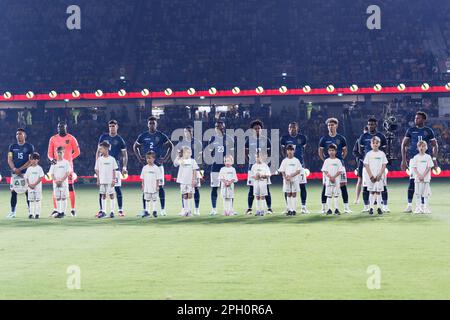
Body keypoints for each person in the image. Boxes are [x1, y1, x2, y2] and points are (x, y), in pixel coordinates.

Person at [134, 116, 173, 216]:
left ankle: (162, 209)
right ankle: (145, 210)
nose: (152, 125)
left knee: (160, 187)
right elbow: (135, 146)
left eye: (153, 123)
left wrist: (165, 158)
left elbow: (170, 146)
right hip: (147, 166)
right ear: (147, 124)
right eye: (150, 123)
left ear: (156, 124)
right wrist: (139, 158)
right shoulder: (143, 136)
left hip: (158, 165)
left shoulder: (161, 135)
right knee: (146, 188)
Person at [401, 111, 438, 213]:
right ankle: (409, 205)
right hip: (414, 160)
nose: (416, 120)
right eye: (415, 118)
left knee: (424, 183)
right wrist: (404, 160)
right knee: (413, 182)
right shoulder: (411, 130)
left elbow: (435, 145)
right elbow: (403, 144)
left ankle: (423, 206)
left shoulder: (428, 130)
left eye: (418, 118)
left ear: (423, 120)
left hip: (425, 160)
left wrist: (434, 159)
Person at [48, 121, 80, 217]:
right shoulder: (53, 139)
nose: (60, 128)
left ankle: (73, 209)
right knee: (56, 186)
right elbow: (49, 154)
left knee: (70, 187)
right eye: (58, 127)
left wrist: (69, 158)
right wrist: (52, 160)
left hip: (67, 166)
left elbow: (77, 152)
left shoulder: (71, 138)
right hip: (56, 166)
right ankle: (56, 209)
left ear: (66, 127)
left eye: (62, 127)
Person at [318, 118, 351, 213]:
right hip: (328, 168)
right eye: (329, 125)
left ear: (336, 126)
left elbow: (345, 151)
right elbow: (320, 152)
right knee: (325, 186)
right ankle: (324, 208)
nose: (330, 127)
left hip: (340, 166)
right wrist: (326, 161)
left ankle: (346, 207)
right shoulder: (324, 139)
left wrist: (339, 161)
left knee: (343, 186)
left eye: (332, 125)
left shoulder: (341, 138)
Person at [357, 118, 389, 213]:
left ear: (376, 125)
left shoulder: (381, 136)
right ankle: (367, 206)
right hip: (367, 166)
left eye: (372, 124)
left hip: (379, 166)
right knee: (367, 187)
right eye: (369, 124)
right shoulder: (363, 137)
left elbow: (385, 150)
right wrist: (364, 160)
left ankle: (384, 206)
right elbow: (360, 151)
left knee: (382, 186)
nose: (371, 126)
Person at [97, 120, 128, 217]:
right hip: (103, 167)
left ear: (117, 127)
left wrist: (124, 167)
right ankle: (102, 210)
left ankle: (120, 209)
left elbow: (124, 155)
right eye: (110, 126)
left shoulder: (120, 139)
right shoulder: (103, 137)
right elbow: (98, 151)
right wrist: (97, 163)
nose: (111, 128)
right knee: (102, 190)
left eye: (113, 126)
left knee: (117, 188)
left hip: (115, 167)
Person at [245, 120, 273, 215]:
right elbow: (245, 152)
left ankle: (269, 208)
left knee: (266, 188)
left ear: (261, 130)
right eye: (255, 128)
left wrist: (265, 161)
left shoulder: (266, 140)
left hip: (263, 167)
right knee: (252, 189)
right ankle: (249, 208)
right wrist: (250, 161)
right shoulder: (249, 140)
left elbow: (270, 153)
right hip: (252, 168)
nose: (257, 130)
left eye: (259, 128)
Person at [280, 122, 309, 213]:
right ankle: (288, 207)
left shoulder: (302, 138)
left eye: (294, 127)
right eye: (291, 127)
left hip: (299, 165)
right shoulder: (284, 138)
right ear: (288, 129)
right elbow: (282, 151)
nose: (292, 129)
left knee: (302, 186)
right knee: (287, 188)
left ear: (297, 128)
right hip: (288, 167)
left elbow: (304, 150)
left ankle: (303, 207)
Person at [207, 120, 234, 216]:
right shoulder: (213, 138)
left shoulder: (229, 138)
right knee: (214, 187)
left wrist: (230, 162)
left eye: (220, 126)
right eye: (217, 126)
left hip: (226, 166)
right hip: (215, 166)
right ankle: (214, 209)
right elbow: (209, 151)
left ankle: (230, 209)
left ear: (224, 127)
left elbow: (231, 153)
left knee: (229, 187)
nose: (218, 128)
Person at [175, 126, 203, 216]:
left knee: (196, 188)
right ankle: (184, 209)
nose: (188, 133)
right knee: (184, 189)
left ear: (192, 132)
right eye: (186, 132)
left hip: (195, 167)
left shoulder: (197, 142)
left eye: (189, 131)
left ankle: (196, 209)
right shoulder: (181, 143)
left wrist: (200, 169)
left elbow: (200, 156)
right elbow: (178, 155)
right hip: (185, 168)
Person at [7, 128, 34, 218]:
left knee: (28, 192)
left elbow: (30, 161)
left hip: (26, 173)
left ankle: (31, 212)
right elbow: (9, 159)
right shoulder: (12, 146)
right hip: (15, 173)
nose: (18, 135)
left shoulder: (29, 147)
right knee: (13, 192)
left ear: (24, 135)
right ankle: (12, 212)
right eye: (17, 134)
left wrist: (21, 169)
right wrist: (14, 169)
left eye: (20, 134)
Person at [363, 136, 388, 216]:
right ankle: (371, 208)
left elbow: (384, 165)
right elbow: (366, 165)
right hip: (371, 177)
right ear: (371, 144)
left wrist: (380, 174)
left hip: (379, 177)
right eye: (373, 143)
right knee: (372, 191)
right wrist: (370, 176)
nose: (375, 144)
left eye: (377, 143)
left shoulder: (382, 154)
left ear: (379, 144)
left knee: (379, 191)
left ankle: (379, 208)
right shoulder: (369, 154)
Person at [95, 141, 119, 219]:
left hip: (109, 181)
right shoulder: (99, 159)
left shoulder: (112, 159)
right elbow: (97, 170)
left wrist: (113, 179)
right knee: (103, 195)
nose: (100, 151)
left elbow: (114, 170)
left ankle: (112, 211)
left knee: (111, 195)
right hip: (102, 181)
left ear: (106, 149)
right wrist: (98, 179)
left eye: (101, 149)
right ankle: (104, 211)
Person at [174, 146, 199, 217]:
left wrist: (194, 179)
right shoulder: (181, 160)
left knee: (190, 195)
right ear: (183, 154)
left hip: (190, 181)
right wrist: (178, 156)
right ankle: (185, 210)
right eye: (185, 153)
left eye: (188, 152)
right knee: (184, 195)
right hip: (183, 181)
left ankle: (190, 211)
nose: (187, 154)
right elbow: (175, 164)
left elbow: (194, 170)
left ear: (191, 153)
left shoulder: (192, 161)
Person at [411, 140, 434, 214]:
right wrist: (419, 175)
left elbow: (429, 167)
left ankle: (426, 208)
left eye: (423, 146)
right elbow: (414, 168)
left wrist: (423, 175)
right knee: (418, 194)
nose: (421, 148)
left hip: (426, 179)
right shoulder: (415, 157)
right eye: (420, 146)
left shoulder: (428, 157)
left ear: (426, 147)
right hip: (417, 179)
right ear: (417, 148)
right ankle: (418, 208)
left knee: (426, 194)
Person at [278, 145, 302, 216]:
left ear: (293, 151)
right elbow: (282, 170)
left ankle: (294, 210)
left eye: (291, 150)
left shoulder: (296, 160)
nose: (290, 151)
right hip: (287, 180)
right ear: (286, 151)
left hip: (294, 179)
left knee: (294, 194)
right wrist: (285, 177)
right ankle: (290, 209)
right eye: (288, 150)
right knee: (288, 194)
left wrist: (291, 175)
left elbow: (298, 170)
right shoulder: (284, 161)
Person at [49, 146, 71, 219]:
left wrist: (61, 180)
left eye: (60, 152)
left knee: (64, 198)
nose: (59, 154)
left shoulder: (66, 162)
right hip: (56, 183)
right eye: (58, 152)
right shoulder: (54, 162)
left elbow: (68, 173)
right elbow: (51, 173)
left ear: (63, 153)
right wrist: (55, 181)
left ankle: (63, 212)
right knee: (57, 198)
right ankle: (58, 212)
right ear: (56, 152)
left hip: (64, 183)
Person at [321, 144, 344, 215]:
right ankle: (329, 209)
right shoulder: (326, 161)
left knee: (336, 195)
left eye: (333, 150)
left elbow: (340, 171)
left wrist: (334, 177)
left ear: (335, 151)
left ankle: (336, 209)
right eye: (330, 150)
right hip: (329, 180)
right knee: (329, 195)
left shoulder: (338, 161)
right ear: (328, 152)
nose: (331, 152)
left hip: (336, 181)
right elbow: (324, 170)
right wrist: (330, 177)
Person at [140, 151, 163, 218]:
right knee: (147, 199)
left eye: (150, 158)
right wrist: (143, 185)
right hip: (147, 187)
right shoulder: (145, 168)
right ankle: (147, 211)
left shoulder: (156, 168)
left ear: (154, 159)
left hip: (154, 186)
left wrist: (157, 186)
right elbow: (143, 178)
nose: (148, 160)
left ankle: (154, 211)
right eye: (147, 158)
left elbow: (158, 178)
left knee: (154, 199)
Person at [24, 152, 44, 219]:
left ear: (38, 160)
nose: (34, 160)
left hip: (37, 187)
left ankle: (37, 214)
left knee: (38, 200)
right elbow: (26, 177)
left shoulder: (39, 168)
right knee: (31, 200)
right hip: (30, 188)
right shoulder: (29, 169)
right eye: (32, 159)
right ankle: (31, 213)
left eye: (35, 159)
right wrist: (29, 185)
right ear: (30, 160)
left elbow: (41, 177)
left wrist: (34, 184)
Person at [353, 126, 368, 204]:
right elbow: (355, 152)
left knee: (374, 180)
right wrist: (361, 158)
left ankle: (375, 199)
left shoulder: (373, 141)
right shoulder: (359, 140)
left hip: (372, 163)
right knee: (360, 180)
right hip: (362, 163)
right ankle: (357, 198)